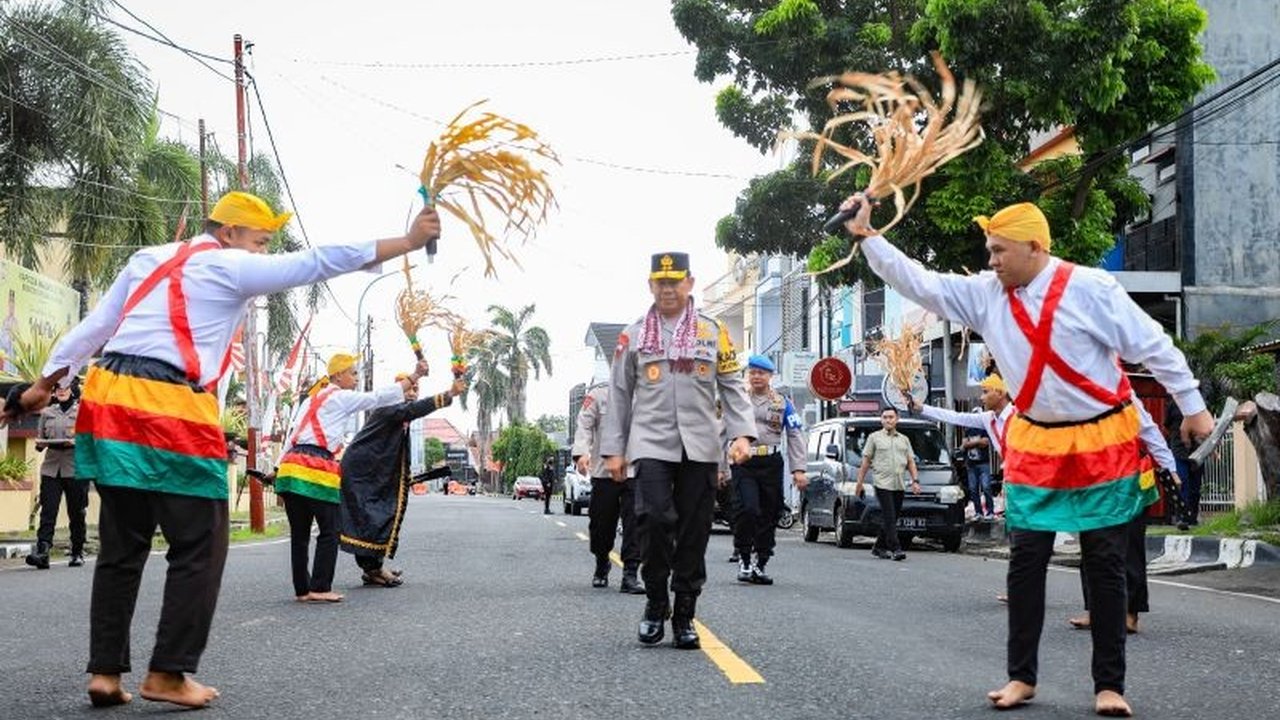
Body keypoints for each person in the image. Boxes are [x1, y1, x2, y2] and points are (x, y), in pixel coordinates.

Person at [5, 190, 443, 709]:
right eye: (259, 242)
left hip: (109, 399)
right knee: (203, 539)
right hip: (168, 403)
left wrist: (42, 385)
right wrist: (410, 241)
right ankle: (168, 672)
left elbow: (95, 329)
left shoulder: (149, 258)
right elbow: (317, 263)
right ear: (230, 232)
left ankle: (105, 672)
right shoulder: (229, 266)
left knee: (124, 545)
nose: (260, 253)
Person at [842, 195, 1212, 716]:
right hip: (1036, 440)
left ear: (1035, 248)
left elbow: (1155, 346)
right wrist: (869, 237)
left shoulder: (1090, 288)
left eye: (998, 250)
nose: (990, 260)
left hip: (1100, 440)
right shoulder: (984, 294)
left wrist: (1194, 409)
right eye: (988, 250)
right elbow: (920, 281)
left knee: (1104, 562)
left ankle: (1110, 685)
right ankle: (1022, 678)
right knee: (1026, 561)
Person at [600, 251, 755, 650]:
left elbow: (732, 385)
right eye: (660, 282)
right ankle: (655, 603)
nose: (668, 289)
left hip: (701, 444)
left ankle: (684, 612)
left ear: (689, 283)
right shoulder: (632, 335)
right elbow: (619, 395)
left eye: (675, 281)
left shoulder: (713, 331)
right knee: (651, 519)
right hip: (650, 442)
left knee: (693, 531)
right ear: (650, 286)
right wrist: (613, 450)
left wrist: (742, 435)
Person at [276, 353, 427, 604]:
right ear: (337, 375)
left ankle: (303, 590)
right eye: (353, 373)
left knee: (300, 535)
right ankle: (321, 587)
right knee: (330, 530)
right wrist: (415, 376)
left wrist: (277, 468)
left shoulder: (310, 400)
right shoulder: (340, 397)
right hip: (315, 466)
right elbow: (376, 398)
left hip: (291, 465)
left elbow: (293, 434)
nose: (356, 378)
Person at [339, 371, 465, 587]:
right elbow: (416, 409)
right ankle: (373, 569)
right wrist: (449, 393)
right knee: (373, 518)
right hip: (362, 472)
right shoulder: (391, 408)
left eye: (416, 389)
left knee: (381, 515)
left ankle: (373, 567)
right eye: (409, 388)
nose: (413, 392)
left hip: (375, 472)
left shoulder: (400, 413)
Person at [731, 354, 807, 584]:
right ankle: (744, 558)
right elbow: (719, 429)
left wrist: (799, 469)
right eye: (752, 372)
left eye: (761, 373)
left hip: (771, 463)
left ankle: (760, 562)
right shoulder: (738, 400)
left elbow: (794, 435)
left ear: (770, 376)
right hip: (743, 462)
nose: (756, 377)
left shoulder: (783, 403)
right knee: (748, 509)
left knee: (769, 513)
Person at [573, 376, 645, 593]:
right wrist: (581, 453)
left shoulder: (647, 395)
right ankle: (602, 561)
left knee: (636, 523)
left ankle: (630, 573)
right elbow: (584, 426)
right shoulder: (598, 395)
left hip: (636, 470)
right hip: (604, 472)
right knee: (601, 524)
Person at [912, 373, 1014, 521]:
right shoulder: (988, 418)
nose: (981, 397)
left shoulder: (1020, 416)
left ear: (999, 393)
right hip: (1013, 479)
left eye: (985, 392)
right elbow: (956, 417)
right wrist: (922, 408)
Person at [28, 383, 86, 569]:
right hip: (51, 468)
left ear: (72, 390)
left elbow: (89, 440)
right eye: (58, 388)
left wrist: (75, 442)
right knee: (48, 512)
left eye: (66, 387)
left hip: (75, 468)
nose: (61, 390)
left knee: (76, 512)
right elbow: (39, 440)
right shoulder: (47, 413)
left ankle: (77, 551)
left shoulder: (82, 412)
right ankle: (43, 552)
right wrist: (40, 443)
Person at [854, 407, 920, 561]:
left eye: (891, 417)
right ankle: (895, 548)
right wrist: (859, 483)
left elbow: (910, 461)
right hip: (882, 483)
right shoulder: (874, 438)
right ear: (881, 420)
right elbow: (865, 462)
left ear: (897, 419)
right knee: (889, 515)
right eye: (885, 417)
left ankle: (878, 547)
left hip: (899, 483)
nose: (888, 420)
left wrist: (915, 480)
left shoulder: (904, 439)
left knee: (892, 517)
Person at [1164, 402, 1202, 529]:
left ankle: (1193, 517)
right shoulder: (1173, 405)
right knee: (1182, 482)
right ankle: (1182, 517)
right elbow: (1167, 426)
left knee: (1195, 487)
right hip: (1178, 450)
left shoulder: (1198, 403)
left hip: (1197, 451)